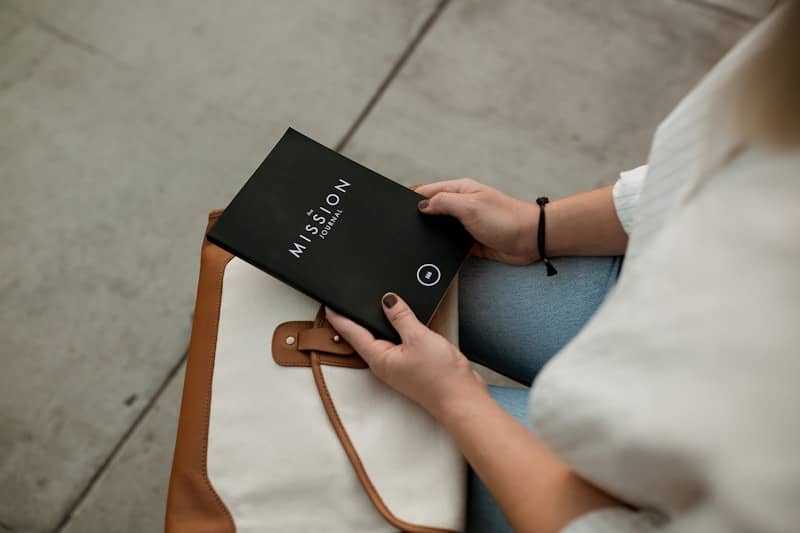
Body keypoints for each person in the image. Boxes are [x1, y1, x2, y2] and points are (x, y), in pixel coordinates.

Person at [326, 3, 800, 532]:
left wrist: (455, 399)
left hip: (644, 496)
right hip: (656, 290)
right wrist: (536, 228)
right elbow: (706, 161)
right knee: (353, 271)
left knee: (337, 440)